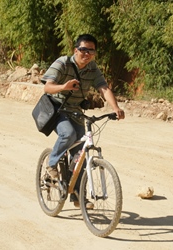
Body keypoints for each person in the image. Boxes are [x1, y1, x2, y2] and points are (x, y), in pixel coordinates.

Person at [41, 34, 125, 208]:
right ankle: (51, 163)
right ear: (76, 50)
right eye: (83, 50)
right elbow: (47, 87)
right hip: (57, 108)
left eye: (91, 51)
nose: (87, 54)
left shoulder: (92, 68)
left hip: (76, 110)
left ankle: (78, 197)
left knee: (80, 155)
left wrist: (115, 108)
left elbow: (103, 88)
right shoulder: (63, 63)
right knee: (68, 134)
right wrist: (63, 86)